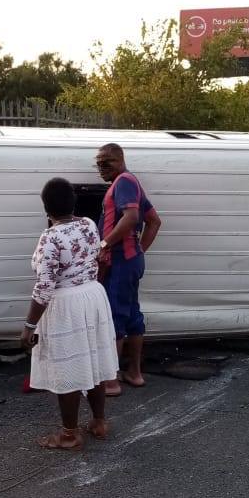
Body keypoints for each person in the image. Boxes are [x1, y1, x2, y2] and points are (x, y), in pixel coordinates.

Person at [20, 178, 119, 451]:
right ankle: (99, 422)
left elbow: (44, 288)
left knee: (68, 367)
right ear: (73, 202)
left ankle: (69, 434)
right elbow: (96, 259)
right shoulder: (88, 224)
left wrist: (29, 325)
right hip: (92, 296)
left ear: (46, 208)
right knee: (94, 359)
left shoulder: (50, 237)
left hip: (67, 306)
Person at [94, 143, 162, 396]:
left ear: (120, 160)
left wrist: (105, 243)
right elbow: (154, 221)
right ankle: (134, 373)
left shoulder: (123, 181)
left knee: (115, 316)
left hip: (121, 261)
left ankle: (111, 381)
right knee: (132, 315)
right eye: (98, 162)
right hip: (130, 260)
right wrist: (139, 250)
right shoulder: (132, 182)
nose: (101, 166)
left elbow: (132, 217)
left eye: (107, 161)